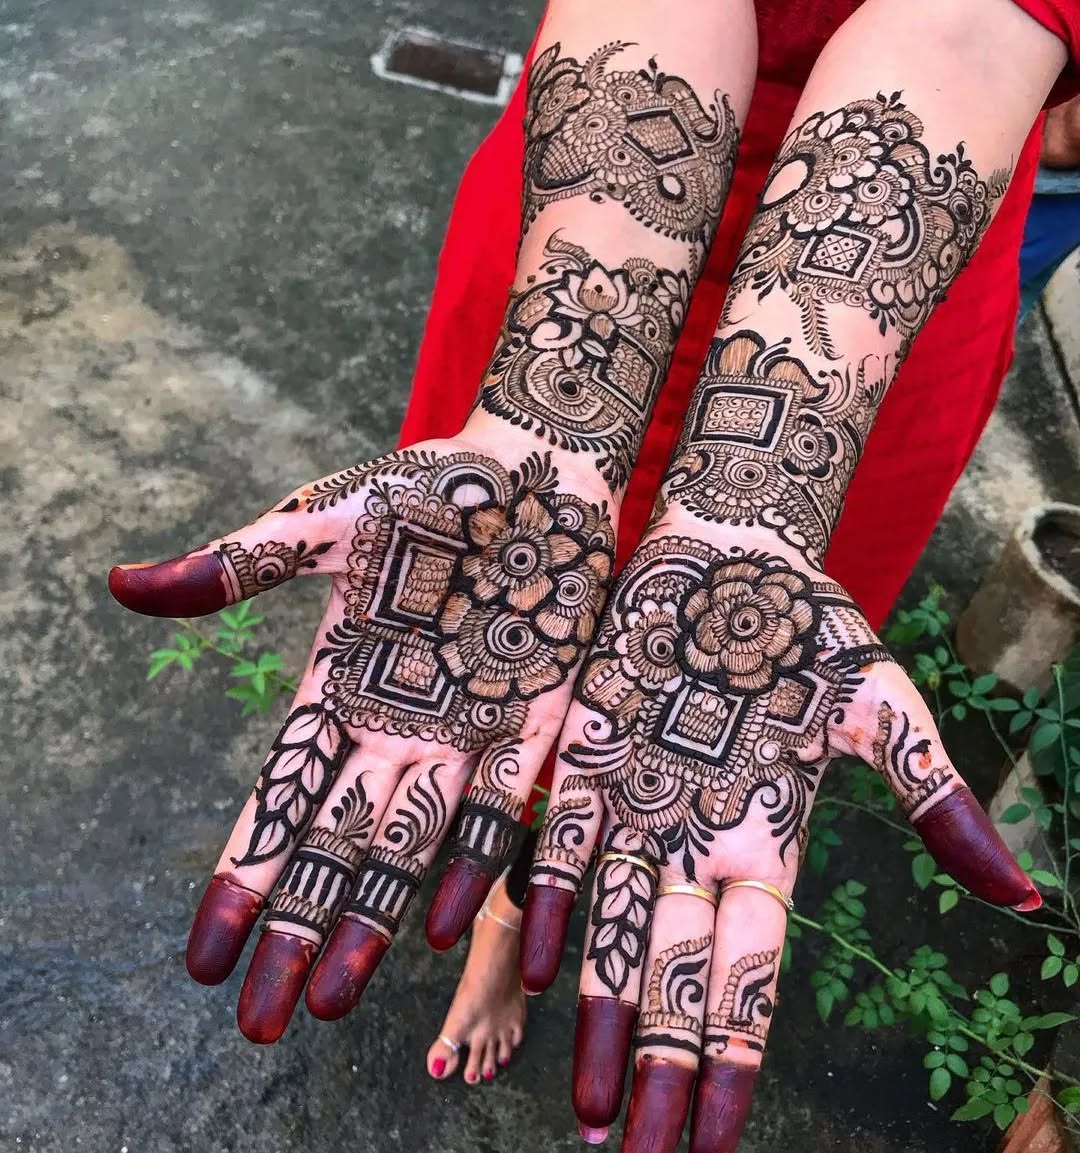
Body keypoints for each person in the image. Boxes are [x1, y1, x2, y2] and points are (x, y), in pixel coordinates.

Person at [108, 2, 1079, 1151]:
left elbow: (972, 27)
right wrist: (551, 420)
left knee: (688, 719)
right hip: (587, 247)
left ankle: (515, 907)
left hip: (858, 323)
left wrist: (757, 500)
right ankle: (500, 904)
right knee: (482, 653)